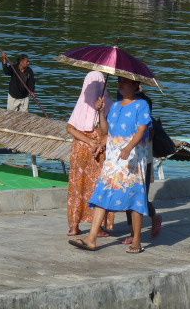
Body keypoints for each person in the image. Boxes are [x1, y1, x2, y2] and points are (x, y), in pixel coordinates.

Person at [69, 76, 152, 254]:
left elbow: (142, 129)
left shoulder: (141, 105)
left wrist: (129, 147)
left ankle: (137, 240)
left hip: (132, 157)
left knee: (135, 198)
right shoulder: (115, 106)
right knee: (102, 193)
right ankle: (91, 239)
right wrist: (100, 112)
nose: (120, 84)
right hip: (113, 157)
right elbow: (107, 131)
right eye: (120, 81)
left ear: (135, 85)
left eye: (124, 82)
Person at [65, 71, 115, 236]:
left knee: (78, 186)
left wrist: (100, 111)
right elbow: (107, 131)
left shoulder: (85, 101)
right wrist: (92, 141)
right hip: (95, 151)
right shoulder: (105, 102)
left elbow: (70, 128)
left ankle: (74, 225)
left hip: (84, 149)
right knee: (95, 187)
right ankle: (96, 226)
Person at [120, 86, 162, 244]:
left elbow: (143, 139)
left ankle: (152, 217)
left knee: (139, 196)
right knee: (128, 196)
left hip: (144, 163)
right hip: (128, 160)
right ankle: (133, 231)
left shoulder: (147, 125)